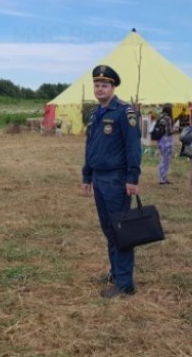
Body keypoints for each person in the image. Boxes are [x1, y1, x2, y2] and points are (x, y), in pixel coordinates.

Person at [81, 64, 142, 298]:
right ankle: (116, 272)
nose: (100, 88)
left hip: (117, 180)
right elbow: (91, 148)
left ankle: (125, 283)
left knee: (120, 230)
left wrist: (132, 178)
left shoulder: (124, 112)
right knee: (109, 229)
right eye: (97, 85)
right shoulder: (95, 114)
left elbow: (133, 147)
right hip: (98, 178)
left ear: (113, 87)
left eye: (104, 85)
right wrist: (87, 176)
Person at [156, 105, 175, 185]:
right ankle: (162, 178)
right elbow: (169, 131)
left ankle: (162, 177)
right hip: (167, 140)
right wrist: (175, 129)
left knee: (162, 159)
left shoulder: (160, 117)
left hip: (160, 140)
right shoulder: (168, 118)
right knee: (166, 160)